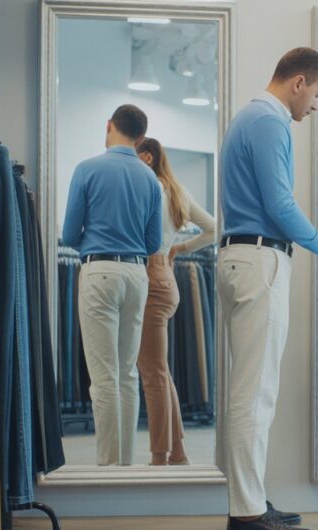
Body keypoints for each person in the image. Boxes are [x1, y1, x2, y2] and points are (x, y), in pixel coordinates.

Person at [218, 47, 318, 530]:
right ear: (297, 82)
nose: (316, 106)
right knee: (256, 392)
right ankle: (247, 513)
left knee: (248, 389)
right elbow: (280, 203)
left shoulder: (245, 118)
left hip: (239, 256)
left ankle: (248, 499)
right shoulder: (271, 122)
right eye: (317, 94)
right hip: (260, 259)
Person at [62, 105, 162, 466]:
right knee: (126, 374)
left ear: (109, 127)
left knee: (103, 378)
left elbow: (70, 234)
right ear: (140, 137)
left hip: (99, 270)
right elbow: (153, 243)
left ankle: (107, 468)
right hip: (137, 275)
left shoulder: (87, 169)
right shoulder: (150, 179)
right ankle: (126, 466)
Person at [135, 137, 217, 466]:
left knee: (152, 372)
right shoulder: (178, 191)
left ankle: (159, 456)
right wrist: (180, 249)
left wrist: (176, 249)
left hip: (150, 277)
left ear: (149, 156)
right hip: (165, 277)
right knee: (159, 369)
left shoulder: (149, 188)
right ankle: (178, 451)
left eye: (136, 156)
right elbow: (213, 228)